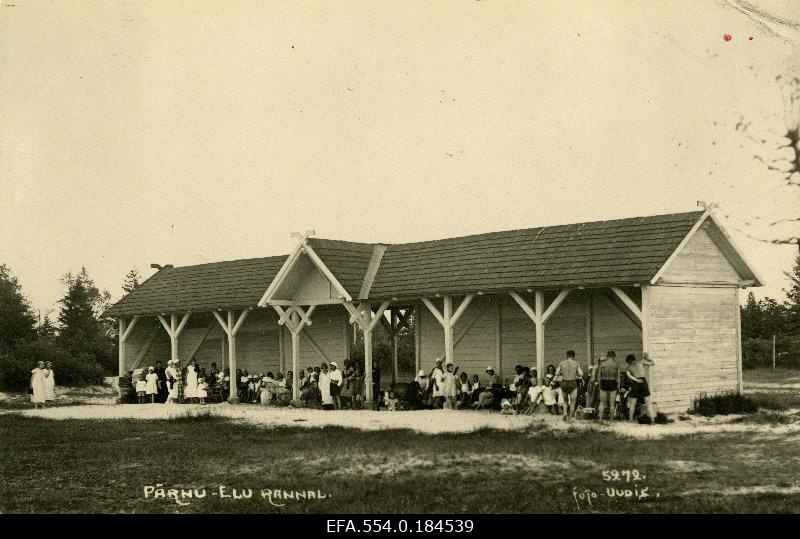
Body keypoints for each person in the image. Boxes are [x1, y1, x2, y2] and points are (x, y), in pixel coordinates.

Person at [626, 353, 656, 424]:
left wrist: (636, 380)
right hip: (643, 382)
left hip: (636, 383)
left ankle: (630, 419)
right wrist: (647, 358)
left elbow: (629, 375)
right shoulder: (641, 362)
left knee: (632, 403)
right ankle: (652, 420)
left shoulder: (628, 367)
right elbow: (653, 363)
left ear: (629, 361)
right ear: (634, 359)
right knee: (648, 402)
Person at [556, 351, 583, 421]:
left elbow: (556, 373)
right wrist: (576, 374)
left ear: (567, 356)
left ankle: (565, 414)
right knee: (572, 402)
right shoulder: (576, 363)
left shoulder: (562, 363)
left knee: (565, 401)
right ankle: (570, 417)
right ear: (573, 356)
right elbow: (581, 373)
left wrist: (562, 374)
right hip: (572, 382)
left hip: (564, 382)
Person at [596, 352, 621, 422]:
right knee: (612, 403)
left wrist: (600, 385)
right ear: (614, 356)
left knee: (602, 402)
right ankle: (611, 420)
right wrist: (618, 386)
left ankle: (600, 418)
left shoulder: (602, 364)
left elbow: (599, 377)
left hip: (604, 381)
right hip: (612, 382)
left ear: (607, 356)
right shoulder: (616, 365)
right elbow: (618, 378)